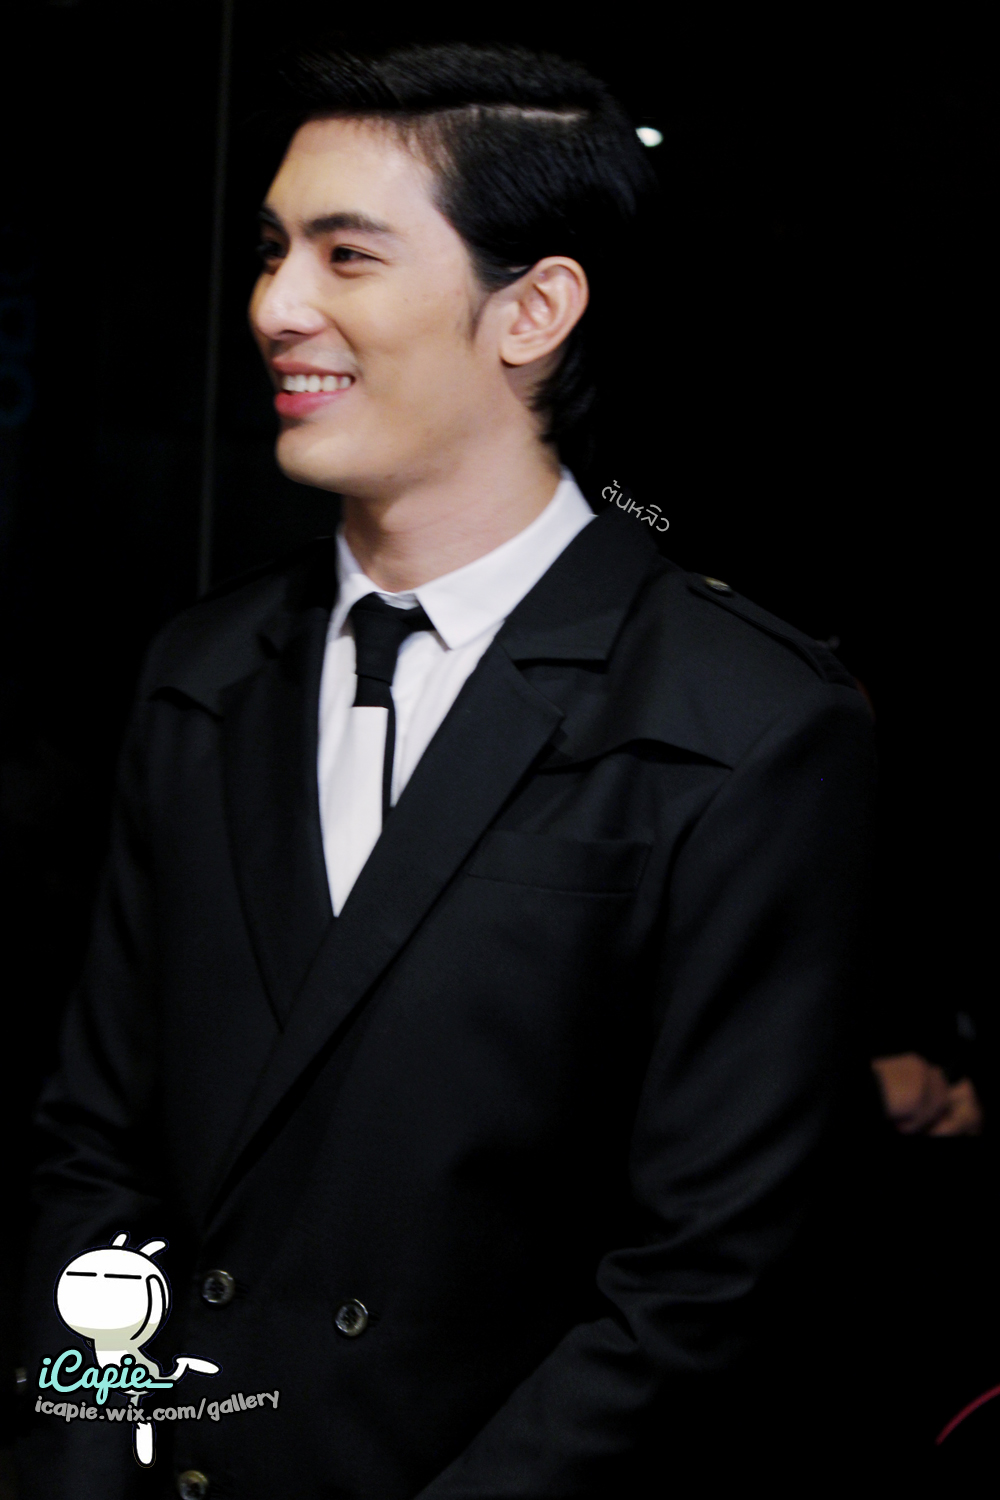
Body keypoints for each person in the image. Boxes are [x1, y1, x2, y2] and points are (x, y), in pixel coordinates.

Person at [18, 42, 876, 1498]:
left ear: (531, 310)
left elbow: (707, 1279)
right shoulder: (203, 673)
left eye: (347, 255)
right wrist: (93, 1464)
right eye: (274, 250)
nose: (277, 306)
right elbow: (99, 1152)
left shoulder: (747, 720)